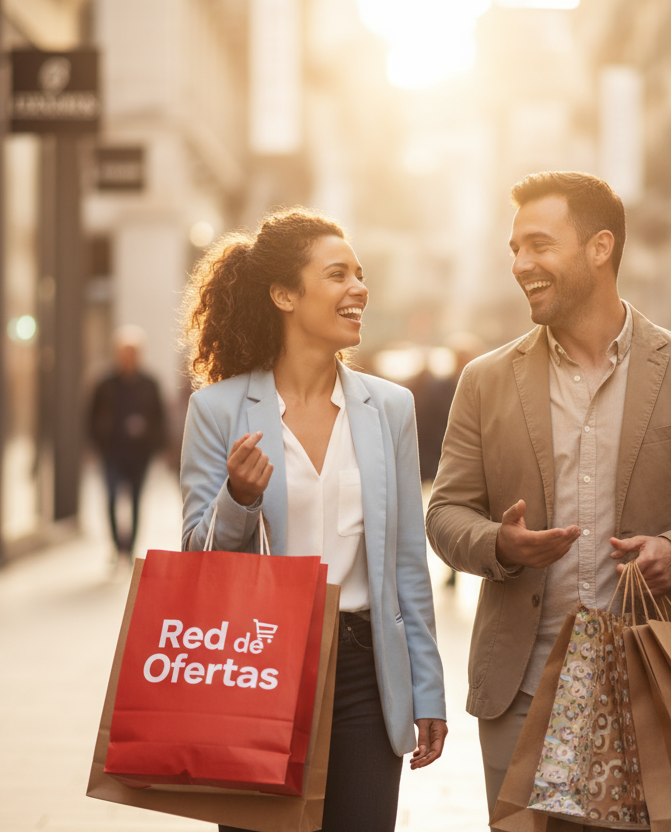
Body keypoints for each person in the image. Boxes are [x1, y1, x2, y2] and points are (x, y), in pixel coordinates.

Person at [424, 171, 671, 825]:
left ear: (599, 247)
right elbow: (445, 515)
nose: (521, 265)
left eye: (538, 245)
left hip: (653, 684)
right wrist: (499, 543)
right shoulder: (486, 381)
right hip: (524, 690)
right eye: (514, 249)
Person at [178, 208, 448, 832]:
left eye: (360, 274)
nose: (359, 289)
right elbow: (196, 559)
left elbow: (408, 559)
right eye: (337, 275)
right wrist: (238, 500)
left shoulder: (390, 408)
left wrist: (425, 687)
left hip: (363, 670)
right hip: (257, 661)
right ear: (283, 294)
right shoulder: (218, 410)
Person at [89, 327, 167, 560]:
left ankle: (129, 548)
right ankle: (116, 546)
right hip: (112, 451)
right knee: (112, 497)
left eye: (131, 352)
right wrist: (96, 444)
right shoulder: (105, 383)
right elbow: (91, 416)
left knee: (135, 501)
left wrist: (154, 445)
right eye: (123, 352)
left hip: (139, 454)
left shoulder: (149, 383)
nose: (127, 357)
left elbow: (159, 418)